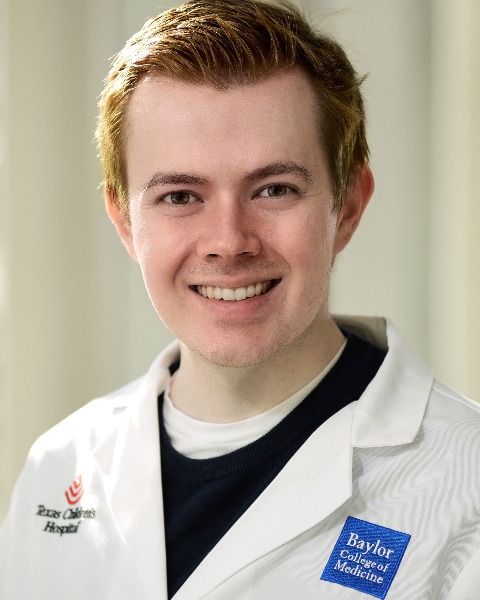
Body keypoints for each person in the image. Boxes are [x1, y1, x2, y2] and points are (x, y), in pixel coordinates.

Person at [1, 1, 479, 598]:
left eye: (274, 189)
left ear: (349, 206)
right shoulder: (59, 469)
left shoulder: (466, 482)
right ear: (124, 222)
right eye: (180, 197)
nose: (229, 242)